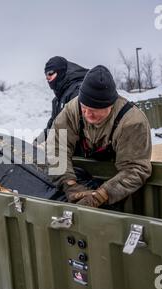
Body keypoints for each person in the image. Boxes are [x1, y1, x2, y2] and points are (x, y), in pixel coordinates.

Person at [47, 65, 152, 209]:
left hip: (118, 183)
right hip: (82, 176)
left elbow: (135, 168)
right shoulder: (73, 109)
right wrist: (69, 184)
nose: (88, 114)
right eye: (84, 108)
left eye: (95, 110)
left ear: (110, 105)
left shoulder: (131, 121)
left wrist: (101, 195)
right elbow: (56, 147)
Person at [42, 56, 89, 139]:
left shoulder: (77, 91)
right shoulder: (57, 100)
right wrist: (37, 143)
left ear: (60, 72)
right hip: (62, 147)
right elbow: (53, 125)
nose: (47, 77)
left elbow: (80, 126)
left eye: (50, 73)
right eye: (46, 74)